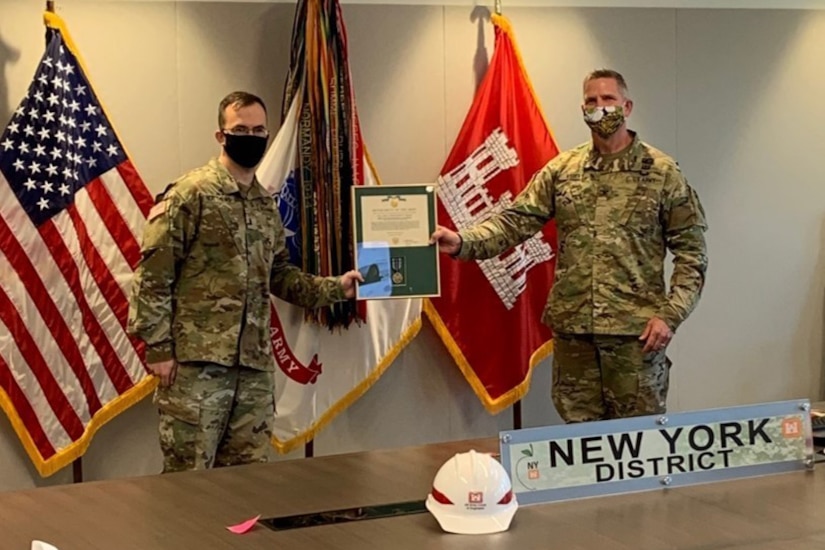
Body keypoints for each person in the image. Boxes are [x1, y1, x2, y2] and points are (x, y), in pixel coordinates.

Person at [431, 69, 708, 423]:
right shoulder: (563, 170)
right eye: (591, 100)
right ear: (583, 108)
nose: (600, 107)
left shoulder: (662, 172)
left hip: (635, 337)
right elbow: (516, 221)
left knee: (639, 444)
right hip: (575, 336)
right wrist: (462, 241)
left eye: (608, 99)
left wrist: (671, 315)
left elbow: (692, 253)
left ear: (627, 106)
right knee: (579, 445)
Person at [127, 91, 363, 472]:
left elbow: (281, 275)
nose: (250, 137)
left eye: (258, 130)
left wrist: (337, 288)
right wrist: (158, 348)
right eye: (240, 130)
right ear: (221, 136)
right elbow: (154, 275)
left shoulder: (264, 204)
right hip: (197, 364)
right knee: (188, 478)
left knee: (247, 482)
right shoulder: (191, 194)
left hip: (253, 368)